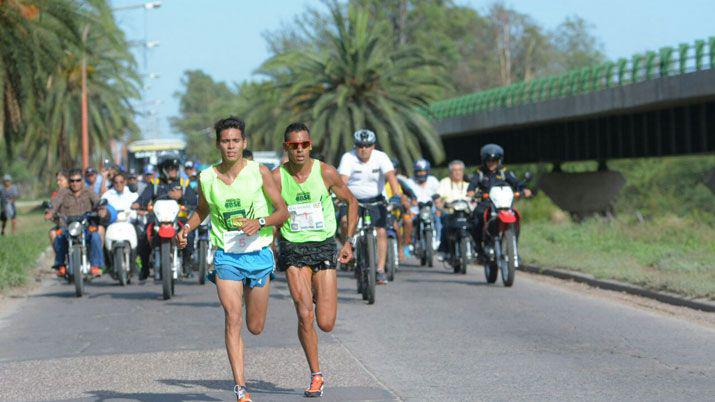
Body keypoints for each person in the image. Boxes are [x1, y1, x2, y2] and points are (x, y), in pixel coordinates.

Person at [177, 116, 288, 402]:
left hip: (259, 254)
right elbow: (202, 210)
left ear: (244, 143)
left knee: (256, 326)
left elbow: (282, 212)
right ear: (218, 144)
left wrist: (260, 221)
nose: (230, 146)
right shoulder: (206, 177)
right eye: (225, 141)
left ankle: (243, 380)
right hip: (227, 255)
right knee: (233, 317)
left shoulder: (259, 172)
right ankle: (240, 388)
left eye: (235, 141)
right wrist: (187, 228)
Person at [272, 123, 357, 397]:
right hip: (293, 249)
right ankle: (316, 374)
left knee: (326, 322)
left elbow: (352, 202)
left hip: (322, 247)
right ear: (286, 147)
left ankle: (321, 293)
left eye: (304, 145)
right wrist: (270, 241)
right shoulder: (276, 177)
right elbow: (265, 209)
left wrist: (348, 241)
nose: (300, 150)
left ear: (311, 145)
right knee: (304, 313)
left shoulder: (325, 172)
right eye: (294, 146)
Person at [337, 129, 407, 285]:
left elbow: (391, 177)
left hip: (376, 200)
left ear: (373, 146)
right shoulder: (348, 157)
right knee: (343, 221)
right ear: (355, 146)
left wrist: (396, 195)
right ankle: (348, 250)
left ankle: (380, 270)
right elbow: (342, 180)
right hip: (352, 200)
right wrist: (339, 196)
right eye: (360, 145)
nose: (363, 149)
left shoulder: (381, 157)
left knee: (382, 231)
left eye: (367, 145)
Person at [133, 157, 198, 279]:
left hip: (179, 218)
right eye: (170, 168)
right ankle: (145, 268)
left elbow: (193, 201)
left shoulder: (184, 183)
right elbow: (144, 197)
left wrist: (181, 196)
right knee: (143, 237)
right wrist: (138, 203)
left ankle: (186, 264)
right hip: (157, 219)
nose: (173, 171)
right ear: (163, 170)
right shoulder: (155, 183)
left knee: (189, 235)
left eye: (175, 168)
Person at [466, 144, 531, 257]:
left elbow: (516, 182)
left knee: (515, 219)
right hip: (486, 203)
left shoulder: (504, 172)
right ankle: (478, 247)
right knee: (476, 217)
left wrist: (524, 189)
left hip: (504, 204)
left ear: (499, 160)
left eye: (494, 160)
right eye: (489, 160)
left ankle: (514, 251)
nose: (491, 163)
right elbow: (471, 188)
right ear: (484, 161)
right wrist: (472, 193)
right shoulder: (480, 173)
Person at [45, 168, 104, 278]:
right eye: (72, 181)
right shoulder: (63, 193)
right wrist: (50, 212)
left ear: (82, 181)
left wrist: (101, 208)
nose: (75, 183)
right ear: (69, 182)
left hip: (86, 226)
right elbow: (55, 204)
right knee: (59, 237)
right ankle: (60, 265)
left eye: (78, 180)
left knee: (95, 236)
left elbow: (97, 202)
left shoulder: (89, 191)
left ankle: (96, 266)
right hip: (68, 227)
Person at [436, 160, 470, 258]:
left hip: (466, 213)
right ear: (450, 172)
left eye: (459, 170)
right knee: (445, 226)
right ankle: (444, 250)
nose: (457, 172)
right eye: (454, 170)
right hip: (450, 213)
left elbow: (475, 195)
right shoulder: (445, 182)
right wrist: (439, 202)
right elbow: (438, 195)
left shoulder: (468, 183)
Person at [49, 170, 70, 246]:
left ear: (68, 180)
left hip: (77, 224)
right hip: (63, 226)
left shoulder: (76, 191)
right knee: (53, 233)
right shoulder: (55, 194)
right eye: (57, 180)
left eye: (60, 180)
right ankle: (59, 256)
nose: (58, 183)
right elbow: (51, 211)